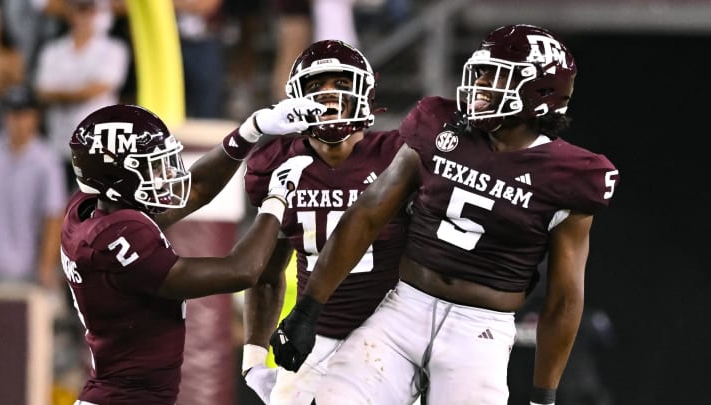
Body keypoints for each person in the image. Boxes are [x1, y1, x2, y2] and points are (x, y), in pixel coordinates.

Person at [270, 24, 621, 405]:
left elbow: (565, 297)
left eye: (495, 74)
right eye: (481, 72)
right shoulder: (441, 126)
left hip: (479, 335)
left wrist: (543, 396)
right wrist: (308, 309)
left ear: (540, 92)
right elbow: (368, 214)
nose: (481, 84)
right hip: (403, 310)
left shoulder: (571, 175)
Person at [59, 96, 327, 405]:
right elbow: (242, 271)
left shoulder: (87, 208)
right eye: (152, 167)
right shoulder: (118, 238)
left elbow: (195, 188)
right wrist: (278, 196)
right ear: (115, 177)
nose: (164, 176)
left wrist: (252, 130)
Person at [241, 39, 408, 405]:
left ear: (363, 93)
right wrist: (253, 358)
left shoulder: (400, 156)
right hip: (311, 334)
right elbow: (267, 274)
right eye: (316, 87)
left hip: (391, 336)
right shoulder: (277, 164)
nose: (328, 96)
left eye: (340, 85)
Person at [34, 0, 130, 192]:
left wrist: (62, 93)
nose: (84, 16)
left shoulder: (114, 49)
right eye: (79, 10)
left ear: (97, 14)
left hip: (97, 147)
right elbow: (42, 92)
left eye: (89, 11)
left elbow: (98, 88)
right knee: (57, 203)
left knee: (91, 206)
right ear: (70, 14)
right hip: (58, 141)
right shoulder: (53, 50)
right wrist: (80, 91)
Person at [0, 85, 66, 289]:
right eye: (13, 113)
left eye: (24, 114)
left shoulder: (47, 160)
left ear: (35, 117)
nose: (18, 121)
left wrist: (46, 266)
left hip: (29, 272)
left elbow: (53, 216)